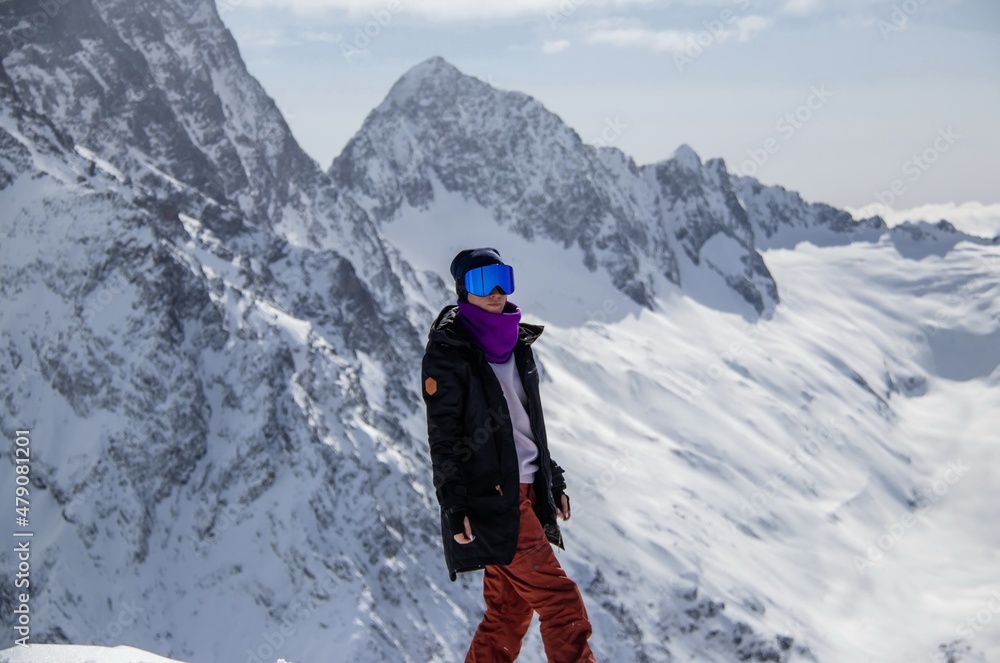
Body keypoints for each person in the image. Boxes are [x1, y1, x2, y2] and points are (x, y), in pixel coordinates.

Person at [421, 247, 598, 663]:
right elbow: (443, 439)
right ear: (464, 290)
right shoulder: (449, 353)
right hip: (495, 499)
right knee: (560, 602)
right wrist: (454, 504)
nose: (497, 291)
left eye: (504, 278)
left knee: (508, 611)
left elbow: (528, 424)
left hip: (528, 494)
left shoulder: (517, 343)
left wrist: (551, 479)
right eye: (484, 281)